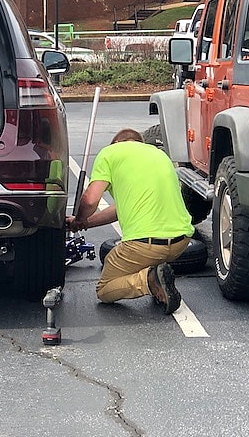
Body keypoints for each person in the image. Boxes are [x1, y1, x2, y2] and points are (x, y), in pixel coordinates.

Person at [66, 128, 194, 313]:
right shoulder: (159, 155)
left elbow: (90, 200)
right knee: (138, 257)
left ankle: (148, 281)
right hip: (181, 241)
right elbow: (119, 210)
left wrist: (79, 218)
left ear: (116, 143)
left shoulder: (110, 153)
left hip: (144, 245)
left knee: (104, 289)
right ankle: (157, 277)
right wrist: (85, 223)